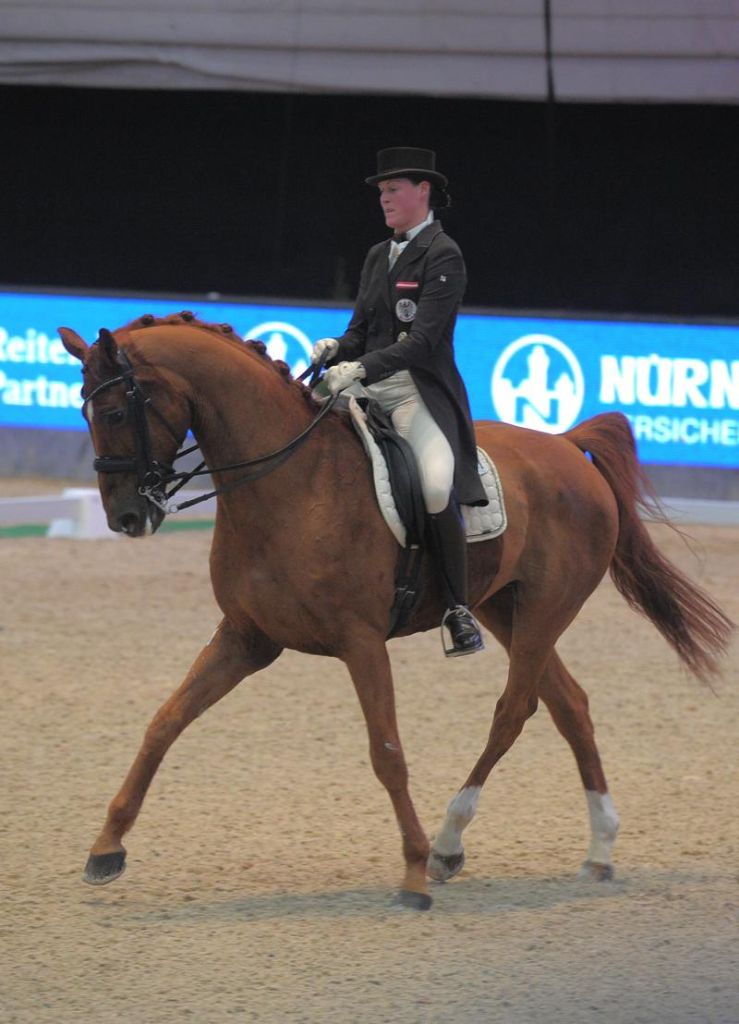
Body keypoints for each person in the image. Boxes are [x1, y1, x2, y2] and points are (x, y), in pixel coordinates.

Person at [312, 146, 487, 657]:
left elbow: (423, 340)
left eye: (393, 189)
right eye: (381, 191)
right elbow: (361, 330)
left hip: (416, 393)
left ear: (422, 191)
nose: (384, 198)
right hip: (364, 388)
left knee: (434, 486)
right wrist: (336, 349)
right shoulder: (375, 255)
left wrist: (362, 365)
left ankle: (457, 609)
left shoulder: (443, 253)